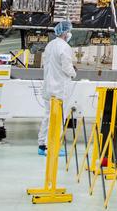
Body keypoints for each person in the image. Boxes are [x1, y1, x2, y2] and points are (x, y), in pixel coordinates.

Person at [38, 19, 77, 155]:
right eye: (69, 31)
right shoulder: (64, 47)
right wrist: (73, 73)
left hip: (48, 87)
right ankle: (52, 147)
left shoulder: (50, 45)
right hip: (59, 88)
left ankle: (42, 145)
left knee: (48, 116)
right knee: (58, 118)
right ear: (65, 33)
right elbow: (67, 67)